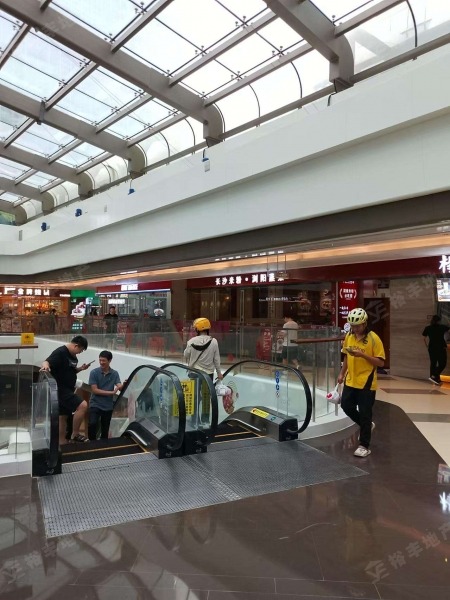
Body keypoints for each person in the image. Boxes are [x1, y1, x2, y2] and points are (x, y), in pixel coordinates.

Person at [337, 308, 385, 458]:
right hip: (351, 380)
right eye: (352, 326)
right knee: (346, 406)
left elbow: (381, 362)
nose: (355, 329)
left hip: (366, 382)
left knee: (365, 413)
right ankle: (367, 426)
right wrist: (342, 373)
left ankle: (364, 445)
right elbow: (346, 357)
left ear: (364, 324)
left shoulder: (374, 339)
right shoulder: (349, 336)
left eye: (357, 326)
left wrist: (363, 355)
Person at [40, 335, 91, 445]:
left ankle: (61, 442)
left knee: (62, 417)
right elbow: (47, 362)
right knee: (83, 405)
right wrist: (45, 367)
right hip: (60, 389)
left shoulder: (72, 356)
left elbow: (70, 370)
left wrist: (81, 369)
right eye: (81, 350)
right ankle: (75, 434)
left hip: (68, 388)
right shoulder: (60, 352)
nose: (80, 353)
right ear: (76, 345)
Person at [88, 350, 123, 440]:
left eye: (104, 360)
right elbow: (95, 390)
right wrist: (111, 393)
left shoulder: (114, 373)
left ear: (109, 360)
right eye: (100, 360)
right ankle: (91, 444)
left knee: (105, 429)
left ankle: (103, 445)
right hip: (95, 404)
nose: (101, 362)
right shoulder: (94, 372)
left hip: (107, 406)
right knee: (92, 424)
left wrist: (124, 385)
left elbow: (119, 385)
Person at [422, 314, 450, 385]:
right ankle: (434, 376)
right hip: (441, 348)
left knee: (433, 363)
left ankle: (434, 378)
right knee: (442, 364)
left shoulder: (428, 328)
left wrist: (427, 346)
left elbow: (424, 338)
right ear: (439, 321)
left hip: (431, 348)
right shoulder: (442, 327)